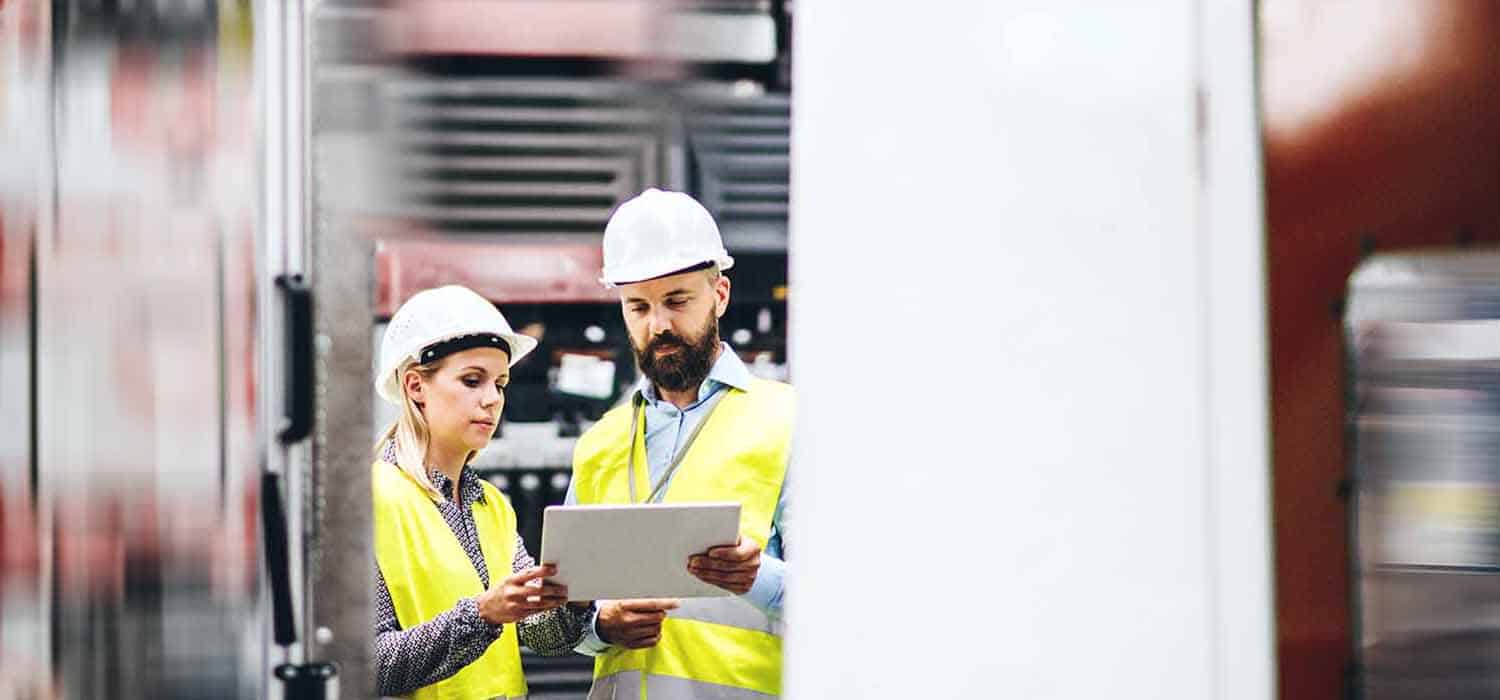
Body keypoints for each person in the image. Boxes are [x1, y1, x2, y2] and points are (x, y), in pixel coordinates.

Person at [566, 189, 795, 699]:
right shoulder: (600, 444)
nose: (659, 325)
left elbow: (849, 601)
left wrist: (757, 577)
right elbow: (570, 612)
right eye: (638, 306)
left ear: (720, 295)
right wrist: (602, 626)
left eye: (677, 300)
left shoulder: (789, 421)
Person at [372, 285, 591, 699]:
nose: (492, 399)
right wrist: (482, 615)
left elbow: (541, 636)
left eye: (501, 383)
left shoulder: (491, 505)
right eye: (472, 381)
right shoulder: (372, 500)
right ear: (416, 386)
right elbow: (372, 665)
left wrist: (574, 598)